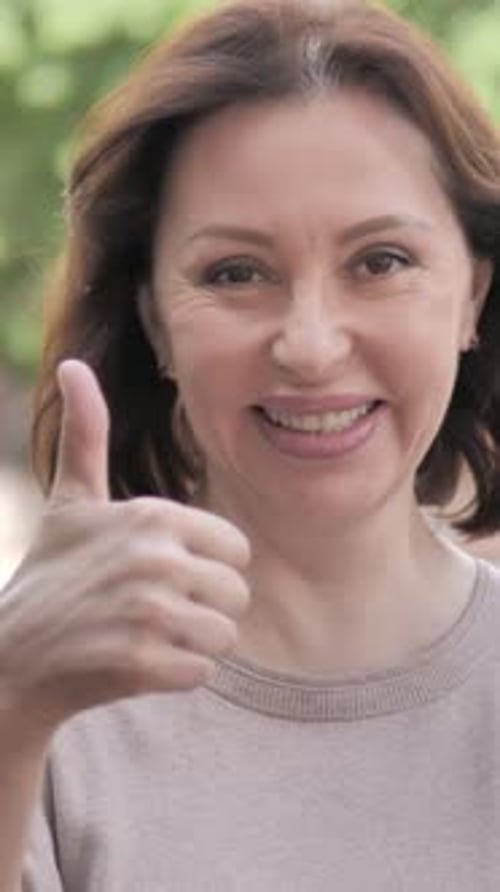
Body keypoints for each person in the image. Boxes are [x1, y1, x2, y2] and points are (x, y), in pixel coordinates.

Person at [2, 0, 500, 887]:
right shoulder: (42, 702)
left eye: (380, 261)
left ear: (473, 295)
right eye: (236, 273)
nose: (309, 346)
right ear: (154, 320)